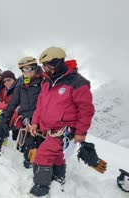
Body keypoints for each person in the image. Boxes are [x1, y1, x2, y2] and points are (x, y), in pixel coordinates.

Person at [28, 47, 95, 197]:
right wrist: (34, 123)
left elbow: (86, 110)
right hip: (48, 129)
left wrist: (81, 132)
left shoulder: (77, 82)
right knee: (56, 155)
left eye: (46, 65)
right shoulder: (47, 82)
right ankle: (58, 178)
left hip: (65, 130)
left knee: (43, 155)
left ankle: (41, 188)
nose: (44, 68)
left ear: (57, 62)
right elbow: (40, 104)